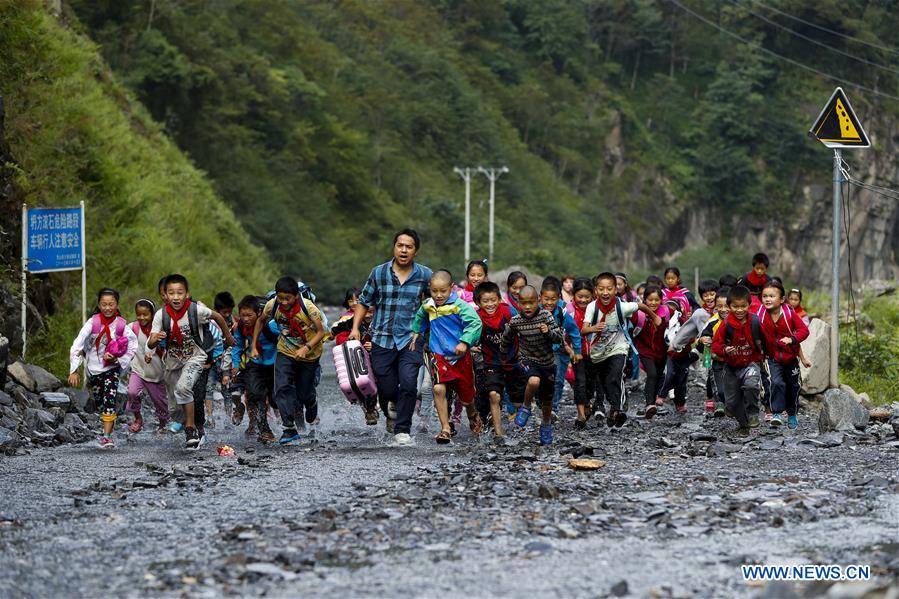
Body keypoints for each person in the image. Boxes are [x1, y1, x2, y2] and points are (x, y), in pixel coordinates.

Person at [351, 229, 432, 446]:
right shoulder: (378, 273)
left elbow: (438, 303)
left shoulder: (425, 275)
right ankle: (392, 404)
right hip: (382, 338)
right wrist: (355, 328)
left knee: (408, 383)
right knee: (386, 387)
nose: (404, 250)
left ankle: (402, 430)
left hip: (411, 338)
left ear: (416, 251)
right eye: (400, 245)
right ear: (394, 247)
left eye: (409, 246)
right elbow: (364, 301)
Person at [148, 274, 235, 450]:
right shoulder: (161, 315)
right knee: (174, 409)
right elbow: (150, 342)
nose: (175, 297)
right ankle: (186, 421)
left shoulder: (196, 310)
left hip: (196, 356)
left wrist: (227, 335)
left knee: (184, 388)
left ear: (187, 294)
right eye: (171, 293)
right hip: (173, 360)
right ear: (165, 295)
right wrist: (155, 339)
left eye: (179, 292)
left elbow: (217, 317)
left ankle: (191, 429)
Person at [252, 276, 327, 445]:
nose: (284, 302)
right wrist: (254, 346)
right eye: (281, 298)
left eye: (288, 298)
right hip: (285, 351)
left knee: (303, 394)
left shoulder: (309, 308)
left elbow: (321, 332)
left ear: (296, 295)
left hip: (309, 355)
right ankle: (289, 428)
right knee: (281, 387)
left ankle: (311, 401)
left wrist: (306, 348)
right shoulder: (273, 305)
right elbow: (260, 321)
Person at [410, 270, 483, 444]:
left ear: (451, 288)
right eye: (435, 291)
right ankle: (445, 428)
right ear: (430, 289)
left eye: (443, 291)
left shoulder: (460, 306)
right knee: (438, 389)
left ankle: (472, 414)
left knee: (467, 398)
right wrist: (416, 332)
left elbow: (475, 323)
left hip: (460, 357)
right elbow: (421, 315)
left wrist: (465, 342)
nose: (439, 295)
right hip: (438, 354)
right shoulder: (429, 304)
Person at [68, 288, 137, 448]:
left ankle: (107, 436)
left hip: (112, 369)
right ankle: (109, 417)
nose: (107, 308)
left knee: (109, 400)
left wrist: (118, 358)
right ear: (99, 305)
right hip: (93, 369)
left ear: (117, 305)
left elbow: (133, 345)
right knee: (100, 402)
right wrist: (74, 369)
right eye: (104, 304)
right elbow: (78, 344)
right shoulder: (92, 323)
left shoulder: (121, 325)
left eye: (111, 304)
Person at [581, 272, 650, 428]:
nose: (606, 292)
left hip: (619, 347)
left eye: (609, 289)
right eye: (602, 289)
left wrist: (655, 317)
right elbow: (584, 330)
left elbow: (640, 306)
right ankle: (612, 407)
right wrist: (593, 328)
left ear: (615, 290)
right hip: (598, 352)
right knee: (605, 383)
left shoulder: (622, 306)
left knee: (616, 375)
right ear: (596, 291)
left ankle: (616, 410)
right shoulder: (592, 307)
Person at [501, 285, 563, 446]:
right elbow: (506, 338)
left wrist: (548, 331)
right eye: (523, 303)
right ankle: (526, 407)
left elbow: (559, 339)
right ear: (518, 303)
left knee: (547, 401)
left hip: (548, 363)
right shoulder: (516, 321)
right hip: (529, 360)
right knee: (533, 381)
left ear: (538, 301)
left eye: (531, 303)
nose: (527, 307)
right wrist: (502, 354)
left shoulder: (546, 316)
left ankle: (546, 425)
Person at [711, 285, 765, 436]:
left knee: (751, 385)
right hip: (731, 368)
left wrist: (769, 356)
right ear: (729, 307)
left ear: (749, 305)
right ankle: (744, 424)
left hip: (750, 364)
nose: (740, 310)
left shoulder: (755, 322)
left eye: (743, 306)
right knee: (732, 405)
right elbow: (715, 345)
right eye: (735, 307)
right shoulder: (726, 324)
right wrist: (724, 350)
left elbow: (766, 340)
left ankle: (753, 413)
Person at [758, 282, 810, 429]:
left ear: (781, 299)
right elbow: (753, 333)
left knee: (794, 386)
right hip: (772, 358)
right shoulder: (760, 316)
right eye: (764, 296)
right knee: (776, 383)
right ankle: (777, 413)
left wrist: (792, 339)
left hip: (790, 358)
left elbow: (804, 331)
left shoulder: (789, 314)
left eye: (772, 296)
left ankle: (792, 413)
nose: (767, 299)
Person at [473, 281, 519, 443]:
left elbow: (521, 327)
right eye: (485, 301)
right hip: (492, 363)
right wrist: (470, 346)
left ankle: (525, 424)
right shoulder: (478, 318)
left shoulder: (508, 311)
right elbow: (469, 335)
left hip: (513, 361)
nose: (490, 304)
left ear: (499, 299)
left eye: (493, 300)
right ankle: (499, 434)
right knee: (493, 394)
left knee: (517, 399)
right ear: (478, 303)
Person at [231, 295, 278, 442]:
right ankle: (265, 430)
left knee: (276, 399)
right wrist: (236, 364)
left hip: (276, 365)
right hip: (256, 364)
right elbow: (237, 345)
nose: (245, 319)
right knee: (254, 395)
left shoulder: (271, 325)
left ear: (258, 313)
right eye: (242, 315)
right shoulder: (240, 327)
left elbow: (287, 338)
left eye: (249, 315)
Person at [540, 278, 581, 423]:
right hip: (538, 351)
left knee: (557, 380)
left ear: (558, 298)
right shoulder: (534, 311)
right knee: (539, 380)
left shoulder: (562, 313)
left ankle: (554, 409)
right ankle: (542, 403)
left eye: (553, 299)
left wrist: (577, 351)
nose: (549, 303)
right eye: (546, 299)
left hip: (557, 350)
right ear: (540, 297)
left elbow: (574, 331)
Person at [126, 299, 169, 434]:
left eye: (145, 315)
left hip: (157, 373)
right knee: (132, 392)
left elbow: (167, 350)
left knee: (160, 402)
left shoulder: (159, 331)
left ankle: (162, 424)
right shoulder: (132, 328)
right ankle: (138, 418)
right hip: (138, 369)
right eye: (139, 314)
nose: (142, 318)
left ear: (153, 315)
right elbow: (120, 339)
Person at [633, 285, 666, 420]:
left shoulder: (666, 313)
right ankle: (649, 404)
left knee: (658, 375)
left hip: (661, 350)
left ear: (661, 300)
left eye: (656, 300)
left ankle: (654, 401)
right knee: (652, 374)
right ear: (644, 299)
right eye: (650, 300)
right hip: (645, 350)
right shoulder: (639, 315)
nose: (653, 303)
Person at [568, 277, 598, 428]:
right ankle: (580, 415)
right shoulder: (569, 311)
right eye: (580, 296)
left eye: (587, 297)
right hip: (577, 353)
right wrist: (569, 352)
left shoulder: (596, 309)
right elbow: (563, 333)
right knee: (580, 382)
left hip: (594, 353)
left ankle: (587, 402)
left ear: (593, 295)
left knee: (591, 383)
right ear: (574, 295)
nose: (584, 300)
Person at [698, 287, 731, 417]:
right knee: (719, 388)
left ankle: (734, 405)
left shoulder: (742, 320)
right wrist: (702, 340)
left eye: (727, 306)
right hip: (717, 360)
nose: (723, 310)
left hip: (736, 361)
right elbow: (700, 343)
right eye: (719, 307)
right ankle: (720, 404)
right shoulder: (712, 322)